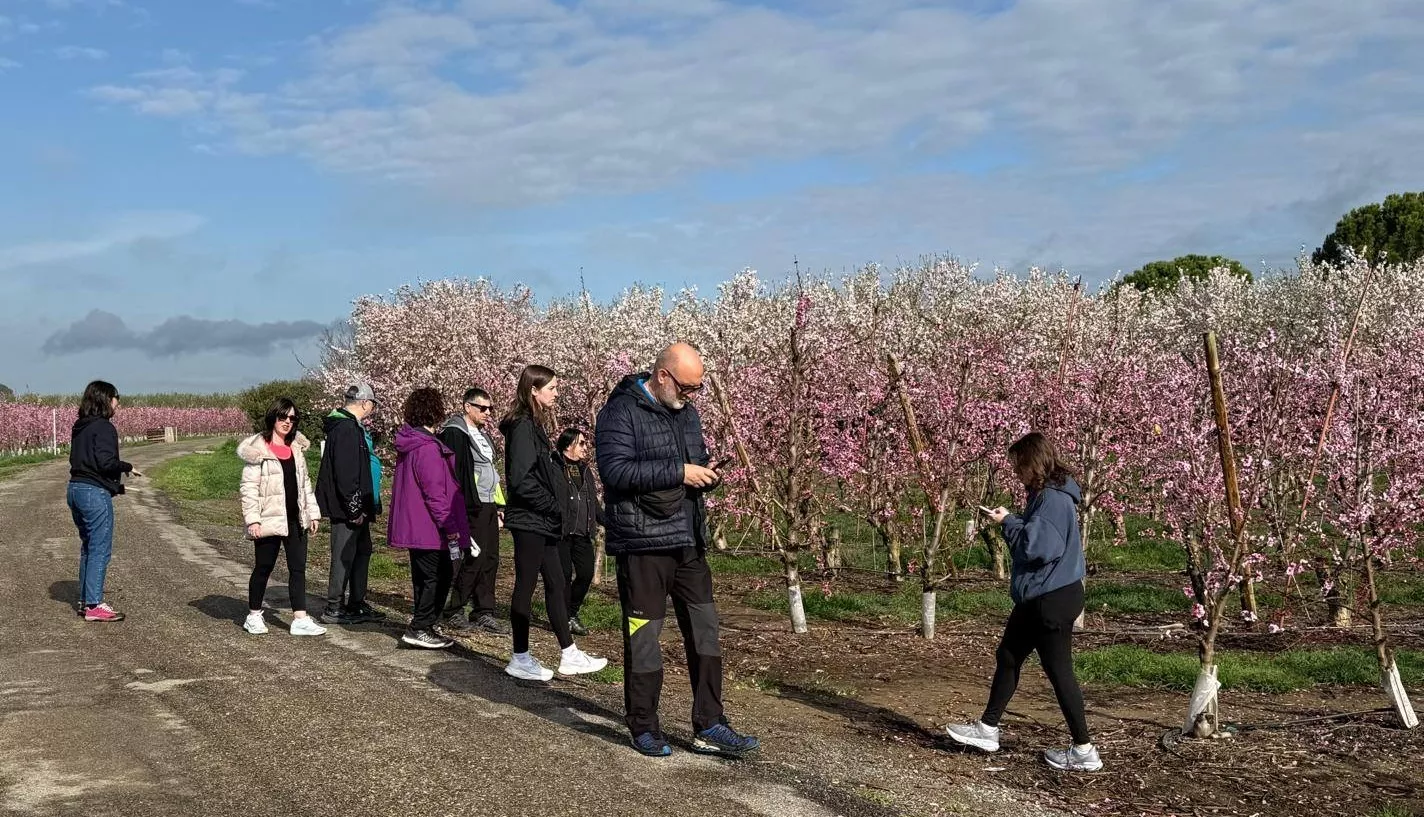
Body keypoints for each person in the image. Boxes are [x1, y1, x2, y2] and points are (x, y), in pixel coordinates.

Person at [595, 342, 759, 758]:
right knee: (645, 639)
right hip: (643, 542)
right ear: (663, 376)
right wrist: (679, 472)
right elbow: (615, 471)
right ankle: (644, 726)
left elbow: (693, 462)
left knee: (706, 633)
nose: (692, 395)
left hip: (688, 540)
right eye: (687, 387)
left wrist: (706, 474)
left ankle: (710, 723)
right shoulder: (620, 412)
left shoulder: (688, 414)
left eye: (698, 388)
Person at [944, 432, 1102, 772]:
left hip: (1049, 597)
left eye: (1019, 465)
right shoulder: (1051, 495)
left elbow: (1036, 548)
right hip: (1048, 594)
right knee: (1010, 655)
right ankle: (988, 729)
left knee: (1058, 671)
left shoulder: (1052, 499)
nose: (1016, 472)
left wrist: (1008, 522)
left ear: (1034, 463)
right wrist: (1015, 519)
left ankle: (1084, 749)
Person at [499, 365, 607, 681]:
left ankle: (569, 654)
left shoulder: (533, 426)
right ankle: (519, 657)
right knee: (525, 586)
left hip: (542, 520)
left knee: (558, 583)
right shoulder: (521, 427)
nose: (556, 393)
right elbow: (521, 480)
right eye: (552, 388)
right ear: (534, 389)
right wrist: (554, 506)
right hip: (530, 519)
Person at [237, 398, 326, 636]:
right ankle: (254, 614)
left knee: (298, 569)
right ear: (273, 417)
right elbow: (249, 488)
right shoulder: (258, 451)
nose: (287, 422)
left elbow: (305, 484)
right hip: (269, 519)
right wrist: (253, 519)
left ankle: (300, 618)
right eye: (283, 417)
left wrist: (313, 513)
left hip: (296, 518)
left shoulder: (296, 449)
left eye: (292, 418)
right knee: (263, 567)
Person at [389, 387, 469, 650]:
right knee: (438, 576)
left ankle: (424, 624)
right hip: (430, 527)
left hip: (414, 525)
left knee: (424, 577)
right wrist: (450, 526)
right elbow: (435, 492)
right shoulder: (428, 448)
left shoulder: (410, 444)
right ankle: (420, 626)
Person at [439, 387, 511, 635]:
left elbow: (490, 471)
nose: (487, 412)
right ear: (467, 407)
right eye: (482, 408)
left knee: (491, 557)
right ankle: (455, 608)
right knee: (473, 556)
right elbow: (457, 472)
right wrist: (465, 505)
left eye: (490, 408)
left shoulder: (483, 435)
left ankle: (484, 610)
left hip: (489, 503)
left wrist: (500, 505)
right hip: (472, 504)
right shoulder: (455, 432)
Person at [66, 380, 139, 622]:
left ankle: (86, 601)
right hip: (93, 494)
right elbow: (105, 462)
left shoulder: (80, 426)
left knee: (88, 547)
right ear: (106, 399)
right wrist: (127, 466)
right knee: (99, 549)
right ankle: (95, 605)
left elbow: (84, 461)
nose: (117, 404)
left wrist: (116, 486)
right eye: (115, 398)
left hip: (75, 489)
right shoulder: (104, 427)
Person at [316, 383, 384, 625]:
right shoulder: (345, 428)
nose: (373, 410)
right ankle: (334, 607)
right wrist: (354, 508)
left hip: (361, 505)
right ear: (365, 403)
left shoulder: (352, 427)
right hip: (349, 508)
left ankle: (357, 602)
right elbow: (346, 473)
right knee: (343, 555)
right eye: (373, 405)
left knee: (362, 551)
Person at [555, 427, 602, 637]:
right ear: (568, 446)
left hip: (583, 533)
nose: (586, 447)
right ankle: (563, 617)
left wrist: (608, 521)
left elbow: (593, 503)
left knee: (585, 574)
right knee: (563, 577)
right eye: (581, 443)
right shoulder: (555, 467)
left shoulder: (585, 470)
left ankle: (571, 612)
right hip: (562, 534)